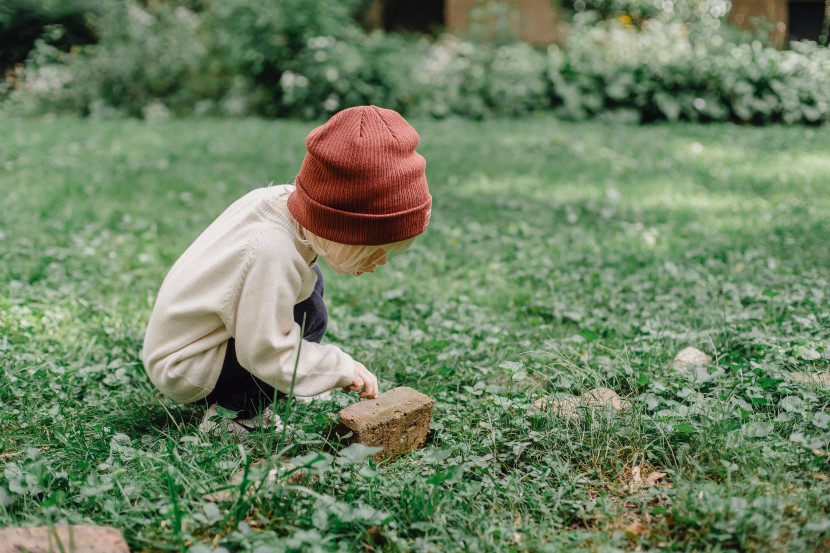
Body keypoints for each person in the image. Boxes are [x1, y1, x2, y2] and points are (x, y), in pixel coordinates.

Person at [142, 105, 432, 435]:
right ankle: (235, 415)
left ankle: (290, 378)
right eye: (374, 250)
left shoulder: (286, 207)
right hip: (185, 363)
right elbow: (265, 353)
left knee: (310, 299)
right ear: (341, 226)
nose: (380, 263)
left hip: (202, 336)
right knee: (304, 321)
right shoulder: (271, 252)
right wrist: (337, 367)